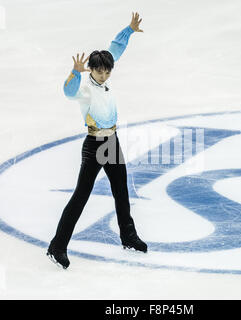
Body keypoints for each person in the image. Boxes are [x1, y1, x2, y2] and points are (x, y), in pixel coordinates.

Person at [47, 12, 147, 269]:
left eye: (107, 71)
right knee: (80, 197)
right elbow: (67, 92)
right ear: (91, 69)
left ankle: (128, 236)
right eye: (99, 71)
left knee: (121, 191)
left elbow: (116, 48)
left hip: (112, 142)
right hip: (94, 146)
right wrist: (74, 72)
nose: (103, 75)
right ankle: (57, 246)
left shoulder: (105, 77)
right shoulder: (84, 89)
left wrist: (129, 30)